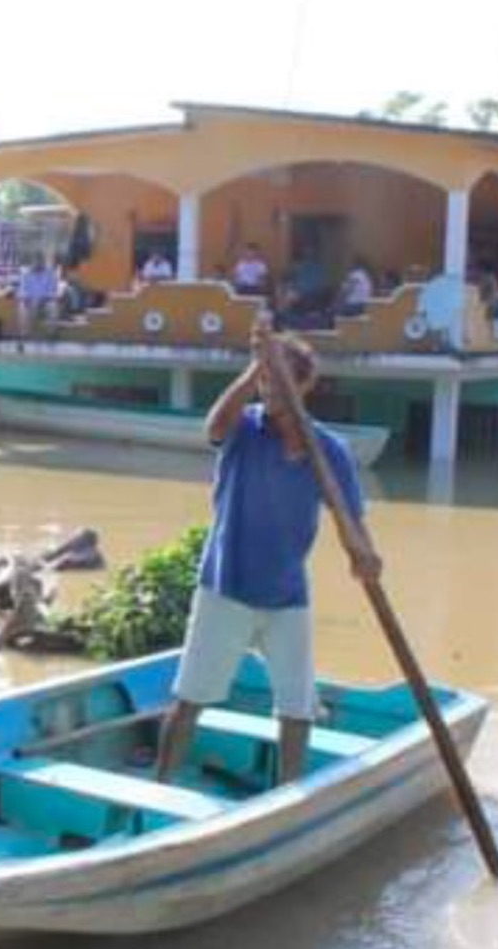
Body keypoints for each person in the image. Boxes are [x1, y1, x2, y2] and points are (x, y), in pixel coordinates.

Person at [155, 333, 380, 787]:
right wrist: (256, 366)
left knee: (298, 706)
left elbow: (348, 517)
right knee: (189, 699)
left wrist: (365, 553)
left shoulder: (329, 451)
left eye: (280, 385)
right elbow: (213, 427)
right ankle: (160, 786)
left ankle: (290, 790)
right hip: (227, 585)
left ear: (304, 387)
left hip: (286, 593)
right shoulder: (245, 429)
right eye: (265, 384)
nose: (269, 394)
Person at [15, 260, 60, 335]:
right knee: (21, 306)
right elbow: (21, 292)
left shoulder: (50, 273)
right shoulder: (25, 274)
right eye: (35, 261)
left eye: (39, 261)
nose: (37, 264)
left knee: (53, 305)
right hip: (30, 301)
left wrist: (42, 299)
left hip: (45, 301)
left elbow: (52, 292)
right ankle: (24, 333)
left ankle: (52, 333)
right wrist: (29, 299)